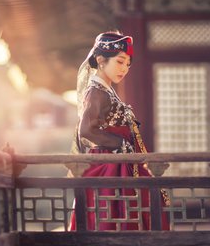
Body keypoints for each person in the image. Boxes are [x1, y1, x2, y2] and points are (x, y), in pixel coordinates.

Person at [69, 31, 170, 231]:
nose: (125, 69)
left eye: (128, 64)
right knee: (122, 205)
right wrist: (121, 144)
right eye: (120, 61)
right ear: (100, 60)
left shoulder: (105, 89)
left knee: (135, 202)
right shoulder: (96, 92)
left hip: (119, 159)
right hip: (111, 161)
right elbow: (86, 130)